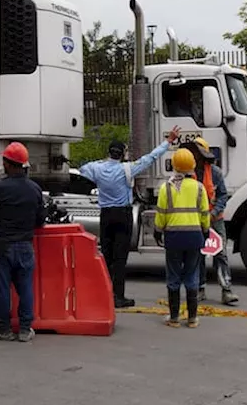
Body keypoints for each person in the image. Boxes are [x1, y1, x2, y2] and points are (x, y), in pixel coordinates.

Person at [77, 125, 181, 308]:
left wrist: (101, 166)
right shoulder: (127, 169)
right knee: (120, 259)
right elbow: (151, 158)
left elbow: (82, 169)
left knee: (107, 256)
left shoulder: (96, 168)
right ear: (122, 154)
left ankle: (104, 294)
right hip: (123, 215)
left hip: (106, 216)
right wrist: (168, 141)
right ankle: (119, 297)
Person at [0, 142, 46, 342]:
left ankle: (3, 329)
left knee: (3, 289)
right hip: (25, 245)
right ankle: (24, 330)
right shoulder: (34, 189)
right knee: (25, 288)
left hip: (2, 246)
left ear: (7, 164)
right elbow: (41, 220)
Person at [153, 147, 210, 328]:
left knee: (174, 276)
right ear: (192, 166)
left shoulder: (166, 188)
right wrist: (205, 231)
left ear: (174, 166)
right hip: (194, 236)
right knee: (192, 275)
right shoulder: (199, 188)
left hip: (174, 237)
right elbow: (205, 214)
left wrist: (157, 230)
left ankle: (174, 318)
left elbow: (161, 213)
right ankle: (192, 318)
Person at [182, 139, 239, 306]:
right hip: (196, 220)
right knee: (197, 254)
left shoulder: (215, 172)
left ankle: (226, 290)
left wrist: (213, 213)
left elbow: (222, 195)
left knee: (220, 254)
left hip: (215, 220)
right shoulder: (187, 174)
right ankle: (200, 288)